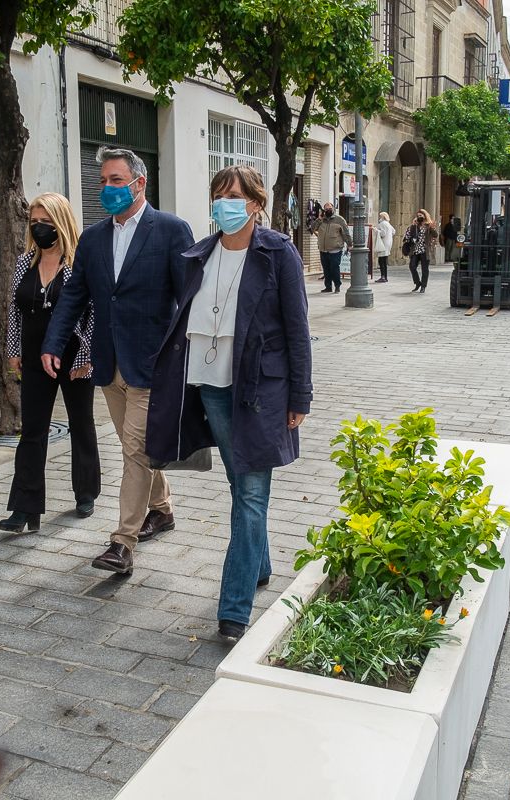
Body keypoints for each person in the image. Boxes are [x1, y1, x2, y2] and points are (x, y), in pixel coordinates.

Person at [146, 164, 312, 642]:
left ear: (256, 204)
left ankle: (234, 608)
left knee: (252, 491)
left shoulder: (278, 253)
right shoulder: (199, 253)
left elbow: (298, 329)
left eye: (234, 196)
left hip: (261, 390)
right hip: (209, 385)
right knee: (242, 484)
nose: (224, 204)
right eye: (218, 195)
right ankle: (259, 565)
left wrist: (300, 394)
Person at [42, 147, 193, 575]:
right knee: (136, 448)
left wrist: (184, 358)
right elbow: (74, 296)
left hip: (151, 365)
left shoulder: (171, 231)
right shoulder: (92, 239)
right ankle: (161, 509)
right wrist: (53, 343)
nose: (107, 188)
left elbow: (188, 300)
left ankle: (122, 542)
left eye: (116, 180)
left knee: (134, 450)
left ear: (139, 183)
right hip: (108, 365)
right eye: (103, 181)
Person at [1, 193, 100, 532]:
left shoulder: (80, 263)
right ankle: (24, 507)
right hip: (33, 355)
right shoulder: (24, 263)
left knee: (81, 424)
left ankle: (86, 492)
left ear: (62, 223)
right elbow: (14, 312)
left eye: (46, 221)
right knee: (32, 430)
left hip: (73, 355)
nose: (39, 228)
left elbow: (93, 313)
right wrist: (13, 351)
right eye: (35, 222)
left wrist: (86, 356)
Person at [309, 201, 351, 293]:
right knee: (326, 269)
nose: (328, 210)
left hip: (335, 249)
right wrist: (319, 219)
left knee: (334, 268)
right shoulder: (321, 220)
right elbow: (312, 229)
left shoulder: (339, 220)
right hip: (323, 249)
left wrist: (349, 244)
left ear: (333, 209)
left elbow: (346, 233)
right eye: (326, 209)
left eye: (330, 208)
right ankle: (328, 287)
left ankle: (337, 285)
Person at [403, 209, 438, 293]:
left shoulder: (428, 226)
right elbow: (407, 237)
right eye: (418, 216)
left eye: (421, 216)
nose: (419, 217)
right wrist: (412, 228)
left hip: (425, 250)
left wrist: (432, 227)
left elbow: (435, 235)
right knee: (412, 266)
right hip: (415, 250)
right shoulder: (414, 226)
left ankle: (423, 286)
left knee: (424, 269)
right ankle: (418, 283)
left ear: (425, 216)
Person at [373, 212, 395, 282]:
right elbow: (394, 231)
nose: (379, 218)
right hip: (388, 244)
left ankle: (383, 277)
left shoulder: (382, 223)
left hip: (383, 244)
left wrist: (376, 230)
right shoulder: (388, 224)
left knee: (381, 261)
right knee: (384, 261)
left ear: (383, 217)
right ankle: (385, 277)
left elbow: (383, 234)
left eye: (380, 216)